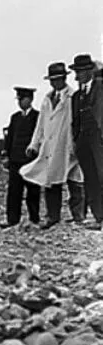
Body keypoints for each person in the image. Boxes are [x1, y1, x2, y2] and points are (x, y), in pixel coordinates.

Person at [20, 62, 85, 229]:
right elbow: (40, 125)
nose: (55, 83)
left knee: (74, 180)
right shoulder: (47, 99)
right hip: (50, 146)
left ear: (64, 78)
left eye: (58, 79)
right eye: (52, 80)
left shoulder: (73, 97)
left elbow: (75, 123)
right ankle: (52, 217)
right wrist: (34, 144)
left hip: (67, 144)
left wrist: (74, 145)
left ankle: (78, 216)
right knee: (51, 181)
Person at [70, 54, 103, 230]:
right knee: (91, 180)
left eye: (80, 72)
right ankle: (99, 218)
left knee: (101, 176)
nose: (77, 76)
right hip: (83, 144)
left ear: (90, 71)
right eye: (76, 72)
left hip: (99, 141)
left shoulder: (100, 88)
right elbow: (75, 121)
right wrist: (76, 140)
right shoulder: (77, 96)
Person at [0, 87, 40, 228]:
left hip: (31, 161)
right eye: (18, 99)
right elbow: (9, 139)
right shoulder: (15, 117)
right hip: (15, 161)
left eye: (22, 99)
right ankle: (12, 220)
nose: (20, 102)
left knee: (33, 191)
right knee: (14, 191)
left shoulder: (37, 117)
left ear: (30, 99)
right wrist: (6, 155)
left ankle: (34, 219)